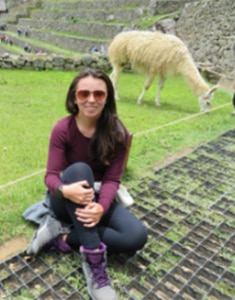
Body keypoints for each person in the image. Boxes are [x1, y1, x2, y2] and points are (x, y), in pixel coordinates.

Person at [27, 68, 147, 300]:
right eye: (84, 94)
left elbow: (113, 179)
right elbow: (51, 176)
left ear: (107, 98)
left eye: (98, 94)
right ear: (74, 97)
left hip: (97, 196)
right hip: (64, 199)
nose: (91, 99)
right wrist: (65, 189)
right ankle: (94, 264)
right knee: (80, 170)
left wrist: (101, 206)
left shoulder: (117, 132)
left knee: (136, 237)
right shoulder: (63, 129)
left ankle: (61, 236)